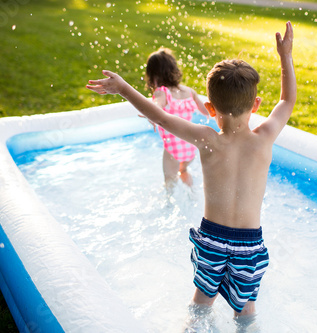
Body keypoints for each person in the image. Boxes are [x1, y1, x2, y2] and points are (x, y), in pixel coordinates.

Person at [87, 21, 296, 320]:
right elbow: (287, 100)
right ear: (256, 104)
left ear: (210, 108)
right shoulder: (264, 138)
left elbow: (159, 117)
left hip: (212, 237)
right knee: (246, 309)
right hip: (250, 243)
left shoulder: (206, 139)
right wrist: (285, 55)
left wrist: (123, 88)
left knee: (200, 305)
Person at [145, 48, 208, 190]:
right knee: (183, 170)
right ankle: (192, 195)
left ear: (153, 76)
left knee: (170, 181)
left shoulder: (162, 92)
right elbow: (206, 110)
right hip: (190, 146)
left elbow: (157, 105)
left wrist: (151, 113)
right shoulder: (189, 91)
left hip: (172, 150)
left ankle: (169, 204)